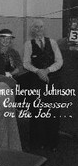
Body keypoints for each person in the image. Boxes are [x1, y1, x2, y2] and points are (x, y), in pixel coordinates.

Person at [22, 19, 63, 150]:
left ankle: (52, 143)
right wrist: (38, 71)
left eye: (41, 27)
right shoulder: (28, 44)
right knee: (38, 111)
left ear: (44, 29)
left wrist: (47, 70)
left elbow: (59, 61)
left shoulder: (53, 42)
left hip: (52, 81)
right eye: (36, 27)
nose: (39, 29)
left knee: (53, 111)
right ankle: (37, 142)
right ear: (32, 30)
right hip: (36, 82)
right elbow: (26, 63)